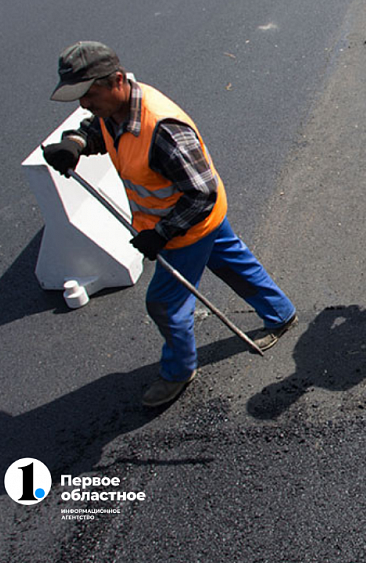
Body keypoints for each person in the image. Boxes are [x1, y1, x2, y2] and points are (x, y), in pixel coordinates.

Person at [43, 41, 298, 407]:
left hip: (187, 224)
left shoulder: (162, 128)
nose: (84, 103)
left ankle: (178, 371)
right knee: (232, 261)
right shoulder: (116, 110)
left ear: (116, 80)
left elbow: (200, 193)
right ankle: (280, 312)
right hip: (196, 219)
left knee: (164, 302)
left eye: (88, 94)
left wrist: (161, 234)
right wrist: (76, 142)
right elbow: (100, 128)